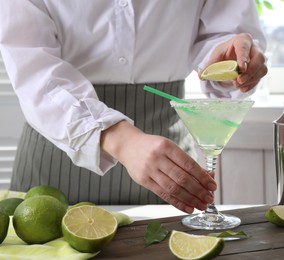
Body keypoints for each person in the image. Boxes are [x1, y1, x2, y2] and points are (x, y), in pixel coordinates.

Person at [0, 0, 267, 214]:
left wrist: (231, 60)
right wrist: (123, 142)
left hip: (166, 164)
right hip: (54, 155)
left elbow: (222, 34)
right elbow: (33, 70)